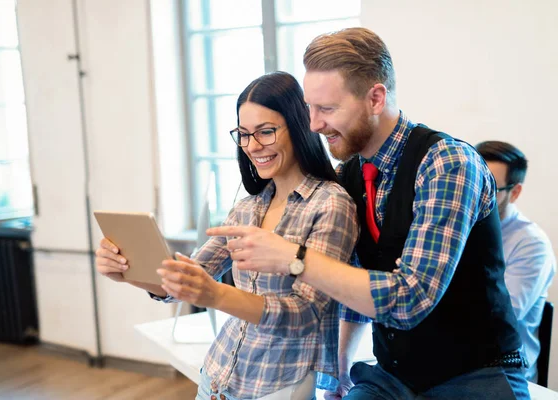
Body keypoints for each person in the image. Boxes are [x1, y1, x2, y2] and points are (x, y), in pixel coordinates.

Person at [208, 28, 531, 399]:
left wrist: (294, 259)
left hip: (476, 375)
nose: (313, 125)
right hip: (393, 376)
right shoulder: (350, 176)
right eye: (310, 109)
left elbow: (411, 299)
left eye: (327, 109)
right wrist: (341, 367)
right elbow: (353, 280)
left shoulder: (448, 164)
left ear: (375, 97)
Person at [95, 71, 358, 400]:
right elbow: (191, 277)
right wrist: (128, 272)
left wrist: (216, 295)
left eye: (266, 132)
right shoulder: (248, 208)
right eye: (244, 134)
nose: (253, 146)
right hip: (217, 377)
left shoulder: (331, 205)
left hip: (277, 385)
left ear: (300, 126)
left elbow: (305, 313)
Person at [475, 140, 556, 383]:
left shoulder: (532, 245)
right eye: (473, 182)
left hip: (501, 373)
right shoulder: (460, 227)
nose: (477, 194)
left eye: (490, 187)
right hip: (454, 363)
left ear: (515, 192)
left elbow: (498, 319)